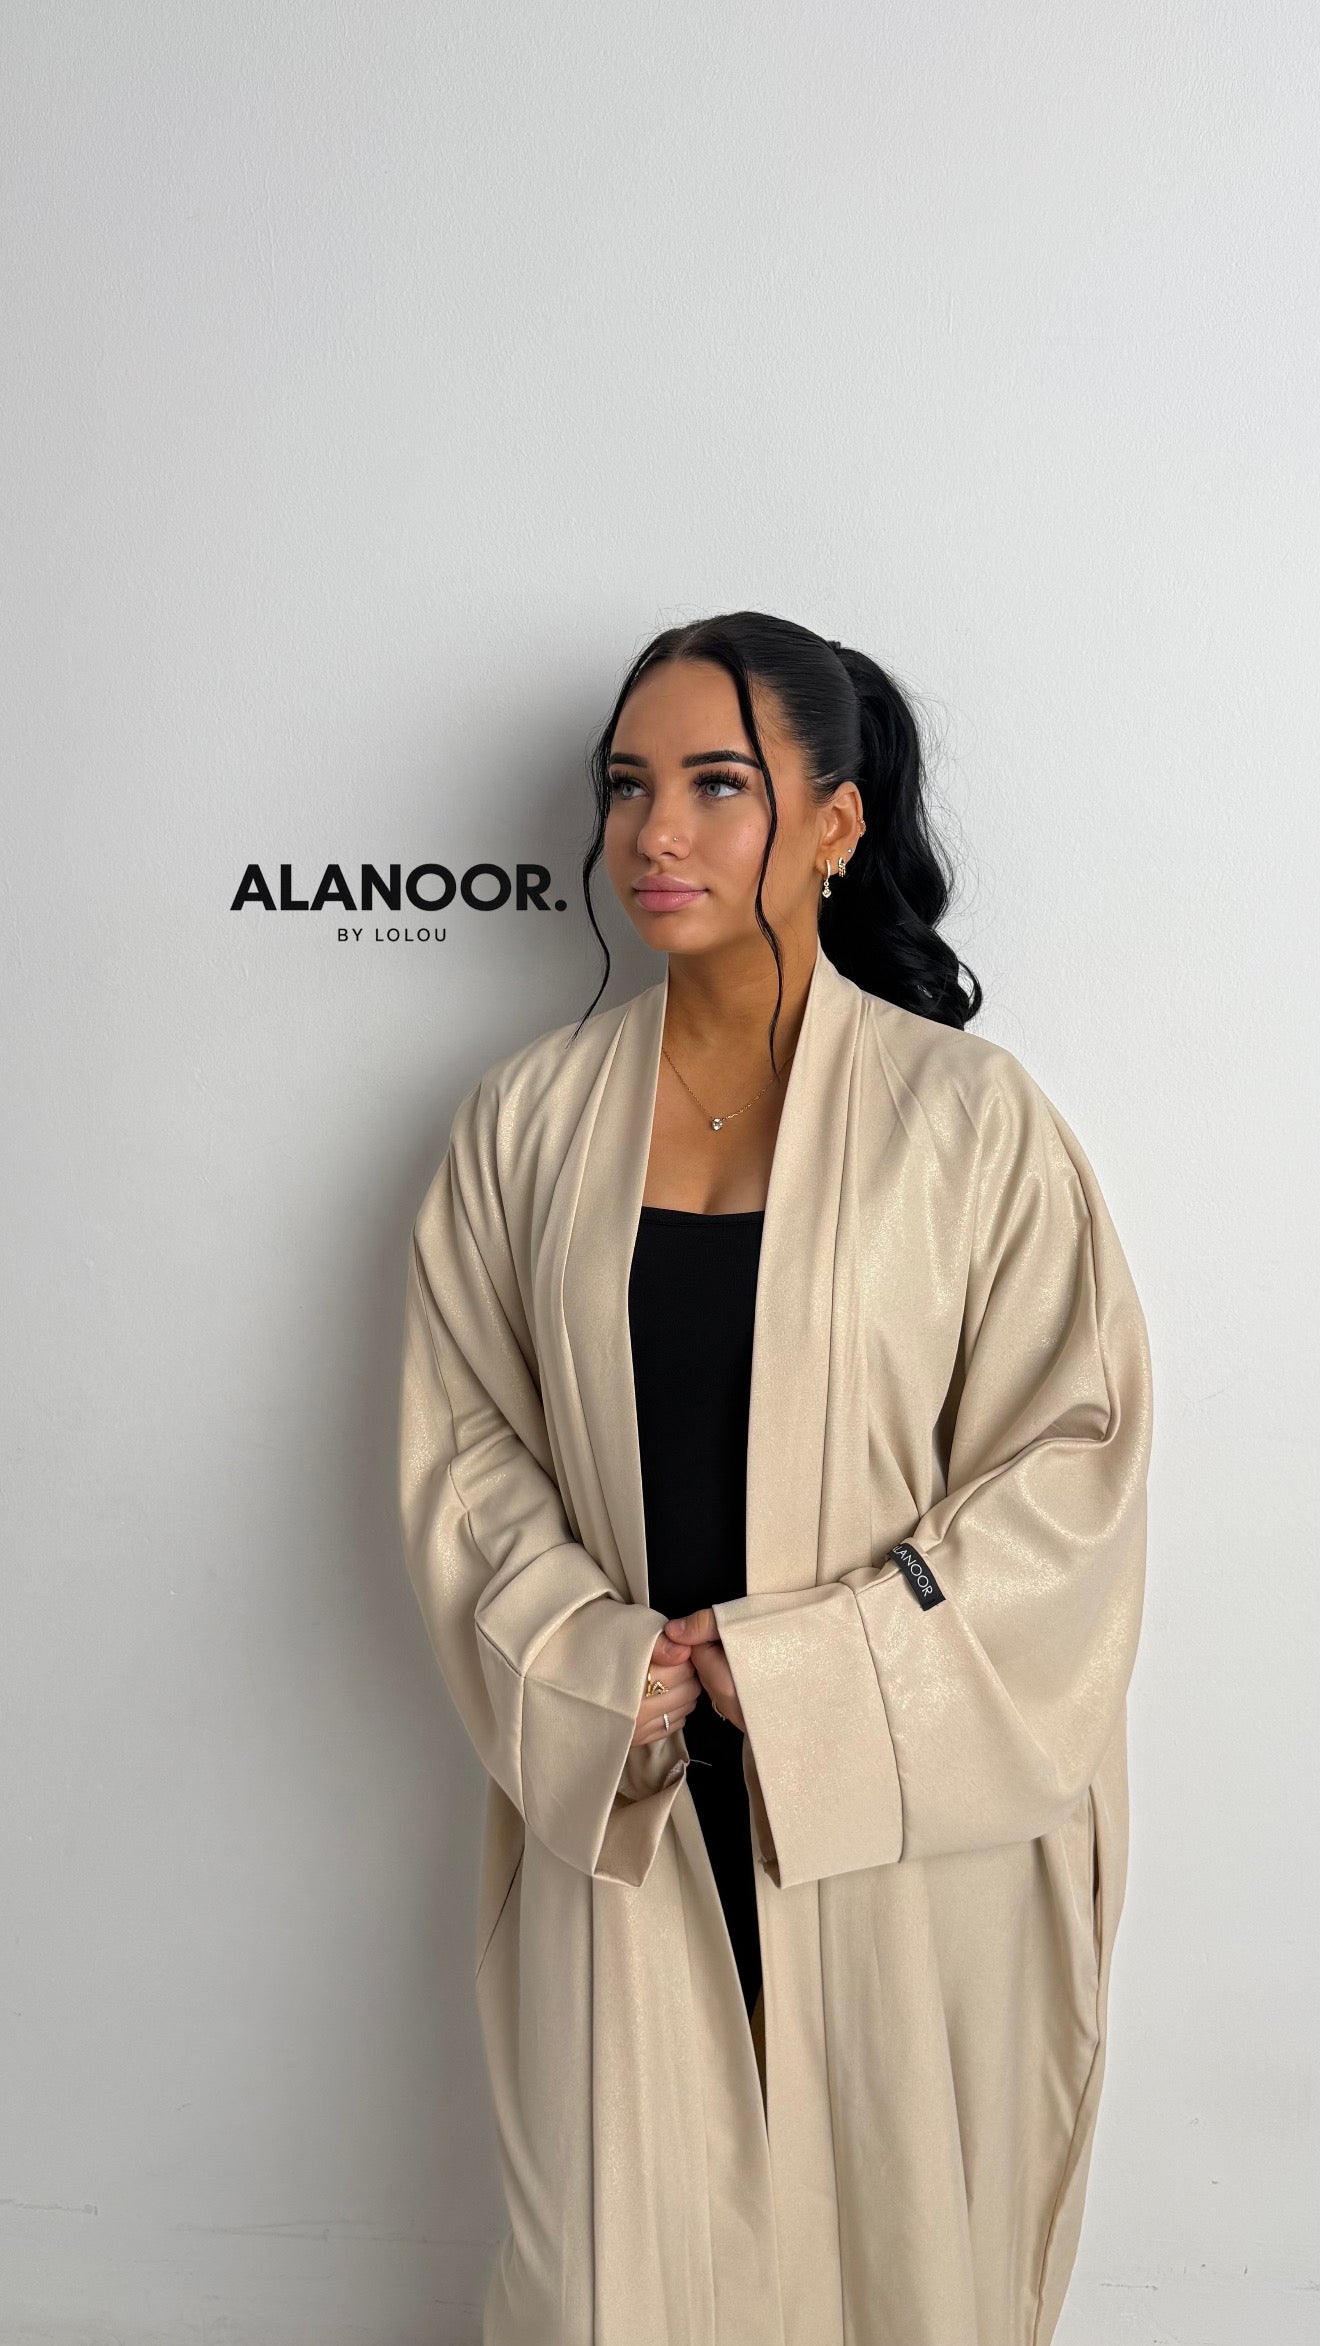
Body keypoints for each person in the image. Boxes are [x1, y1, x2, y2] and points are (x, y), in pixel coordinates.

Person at [396, 611, 1154, 2346]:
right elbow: (465, 1446)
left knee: (899, 2260)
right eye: (627, 785)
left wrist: (818, 1667)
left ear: (836, 822)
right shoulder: (523, 1125)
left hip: (897, 1817)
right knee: (610, 2269)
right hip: (630, 1774)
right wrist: (595, 1657)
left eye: (718, 784)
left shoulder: (970, 1124)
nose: (654, 831)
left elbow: (1071, 1464)